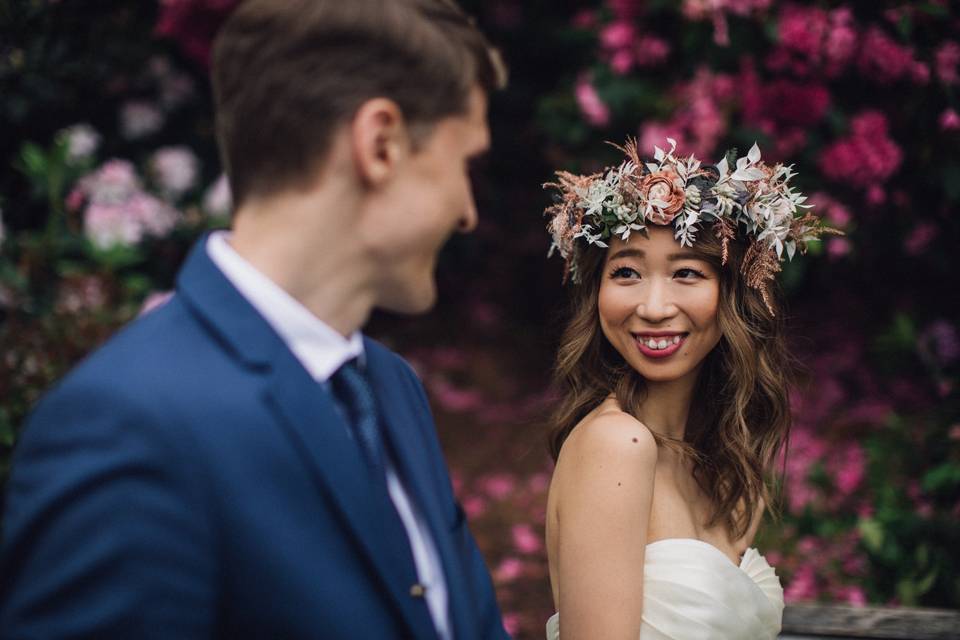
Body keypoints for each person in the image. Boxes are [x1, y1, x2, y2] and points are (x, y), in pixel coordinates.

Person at [0, 1, 509, 638]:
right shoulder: (126, 423)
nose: (467, 212)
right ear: (380, 144)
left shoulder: (394, 389)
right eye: (465, 165)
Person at [541, 139, 836, 639]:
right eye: (627, 272)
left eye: (686, 273)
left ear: (733, 297)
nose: (654, 307)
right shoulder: (617, 445)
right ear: (598, 293)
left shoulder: (720, 462)